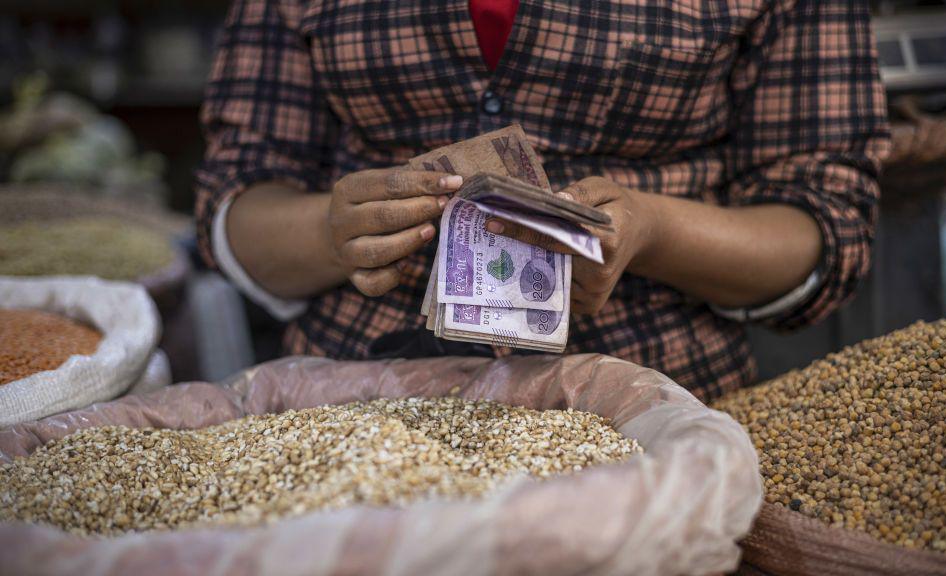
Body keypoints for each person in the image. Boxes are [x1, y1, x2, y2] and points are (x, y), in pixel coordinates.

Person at [195, 0, 890, 401]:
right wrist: (330, 230)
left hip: (649, 408)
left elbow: (825, 223)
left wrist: (653, 230)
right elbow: (236, 200)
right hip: (352, 408)